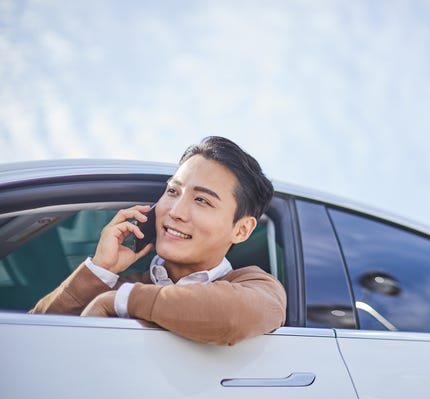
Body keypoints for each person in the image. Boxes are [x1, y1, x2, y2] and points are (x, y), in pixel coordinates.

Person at [30, 136, 286, 345]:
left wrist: (117, 301)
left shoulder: (256, 287)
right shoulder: (119, 284)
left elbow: (231, 316)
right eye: (173, 191)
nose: (175, 211)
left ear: (241, 230)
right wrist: (100, 269)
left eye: (202, 200)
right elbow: (30, 339)